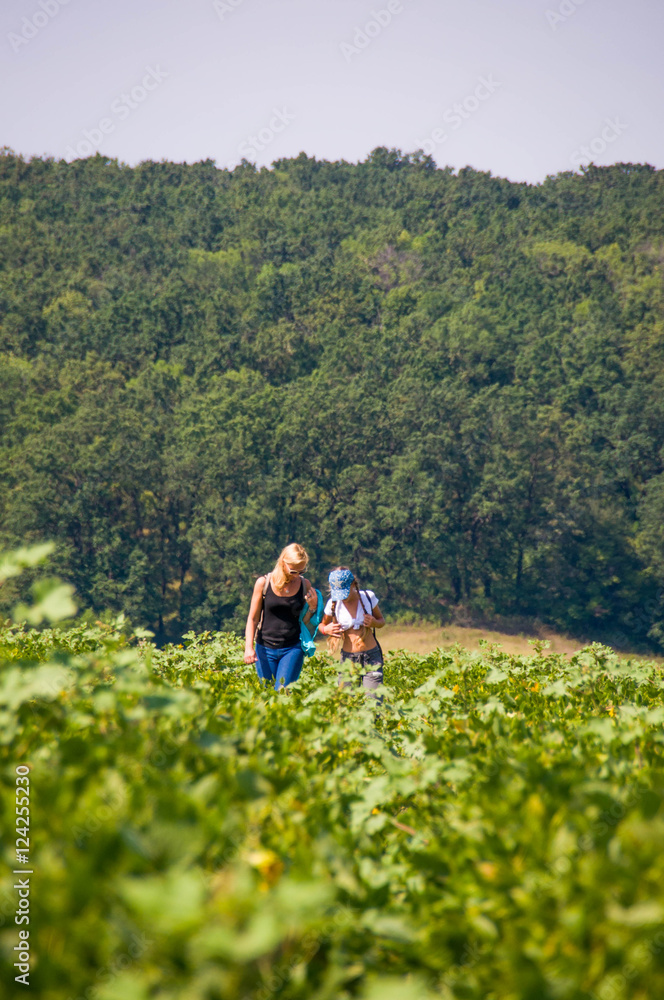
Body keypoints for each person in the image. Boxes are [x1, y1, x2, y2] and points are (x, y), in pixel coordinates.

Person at [244, 543, 318, 690]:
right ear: (283, 562)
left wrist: (312, 607)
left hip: (292, 648)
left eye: (301, 571)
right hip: (264, 648)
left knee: (283, 693)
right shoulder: (263, 583)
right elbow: (253, 619)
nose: (297, 575)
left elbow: (304, 621)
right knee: (267, 693)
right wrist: (248, 648)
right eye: (293, 571)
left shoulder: (305, 585)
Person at [318, 566, 386, 691]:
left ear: (353, 584)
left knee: (373, 702)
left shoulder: (367, 597)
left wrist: (374, 622)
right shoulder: (333, 604)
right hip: (348, 659)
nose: (342, 597)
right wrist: (325, 630)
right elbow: (321, 625)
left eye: (345, 592)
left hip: (371, 657)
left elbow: (381, 621)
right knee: (346, 703)